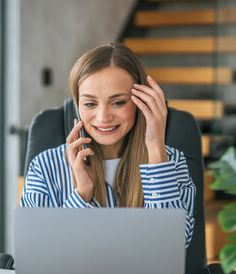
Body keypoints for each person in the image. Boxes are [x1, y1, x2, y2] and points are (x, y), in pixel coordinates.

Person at [20, 42, 195, 247]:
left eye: (118, 102)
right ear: (78, 105)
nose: (103, 117)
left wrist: (156, 148)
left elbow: (171, 245)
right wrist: (81, 194)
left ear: (141, 101)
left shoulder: (171, 161)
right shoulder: (45, 167)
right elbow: (38, 251)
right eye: (90, 103)